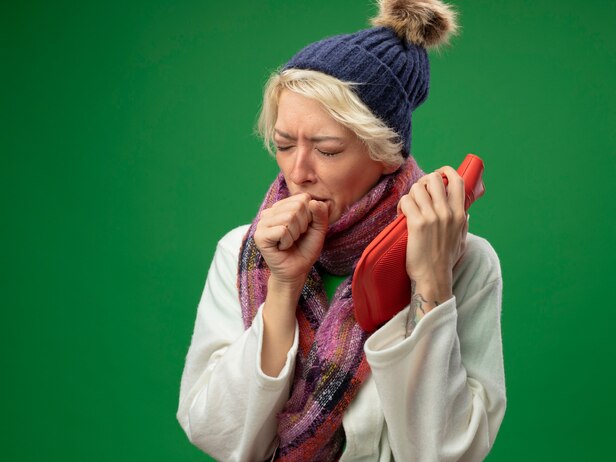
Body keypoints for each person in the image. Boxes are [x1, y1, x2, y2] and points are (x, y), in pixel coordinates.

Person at [176, 1, 506, 460]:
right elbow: (217, 435)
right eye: (284, 144)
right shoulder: (242, 251)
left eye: (327, 150)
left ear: (386, 153)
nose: (298, 170)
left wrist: (432, 281)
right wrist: (283, 287)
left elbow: (444, 453)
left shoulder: (466, 261)